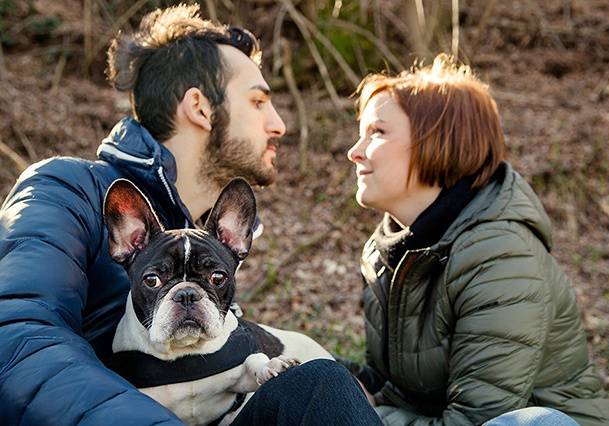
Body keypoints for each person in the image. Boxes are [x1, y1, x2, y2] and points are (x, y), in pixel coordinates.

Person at [0, 5, 381, 425]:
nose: (279, 125)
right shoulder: (67, 189)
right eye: (258, 102)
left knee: (322, 383)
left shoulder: (205, 239)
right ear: (200, 108)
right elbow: (17, 337)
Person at [342, 54, 609, 425]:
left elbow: (477, 421)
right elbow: (398, 390)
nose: (354, 151)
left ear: (440, 141)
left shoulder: (500, 256)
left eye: (377, 132)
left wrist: (365, 412)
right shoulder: (390, 253)